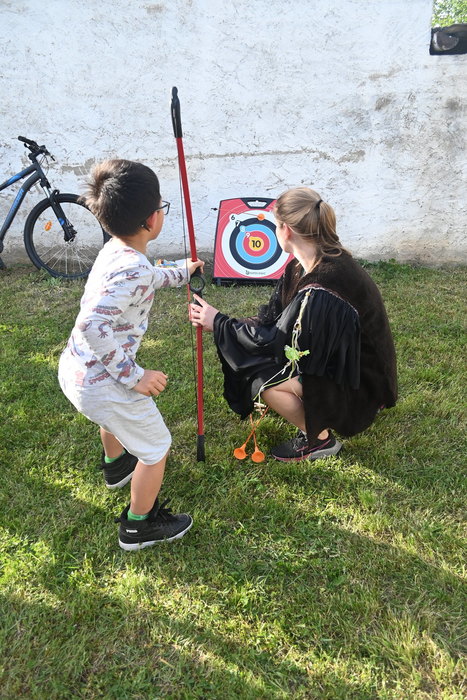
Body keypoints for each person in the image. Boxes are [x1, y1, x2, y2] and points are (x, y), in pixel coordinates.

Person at [189, 186, 397, 461]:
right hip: (346, 368)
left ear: (285, 230)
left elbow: (280, 341)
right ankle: (313, 409)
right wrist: (226, 323)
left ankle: (320, 440)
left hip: (361, 386)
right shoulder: (304, 265)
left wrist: (220, 324)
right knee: (263, 361)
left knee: (264, 379)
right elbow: (273, 319)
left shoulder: (323, 285)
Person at [58, 159, 204, 549]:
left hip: (77, 371)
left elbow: (147, 276)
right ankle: (139, 526)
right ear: (151, 220)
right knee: (156, 448)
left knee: (114, 420)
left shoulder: (117, 251)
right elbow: (92, 325)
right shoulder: (131, 268)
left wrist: (182, 271)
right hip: (104, 383)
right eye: (161, 206)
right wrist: (134, 376)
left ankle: (117, 466)